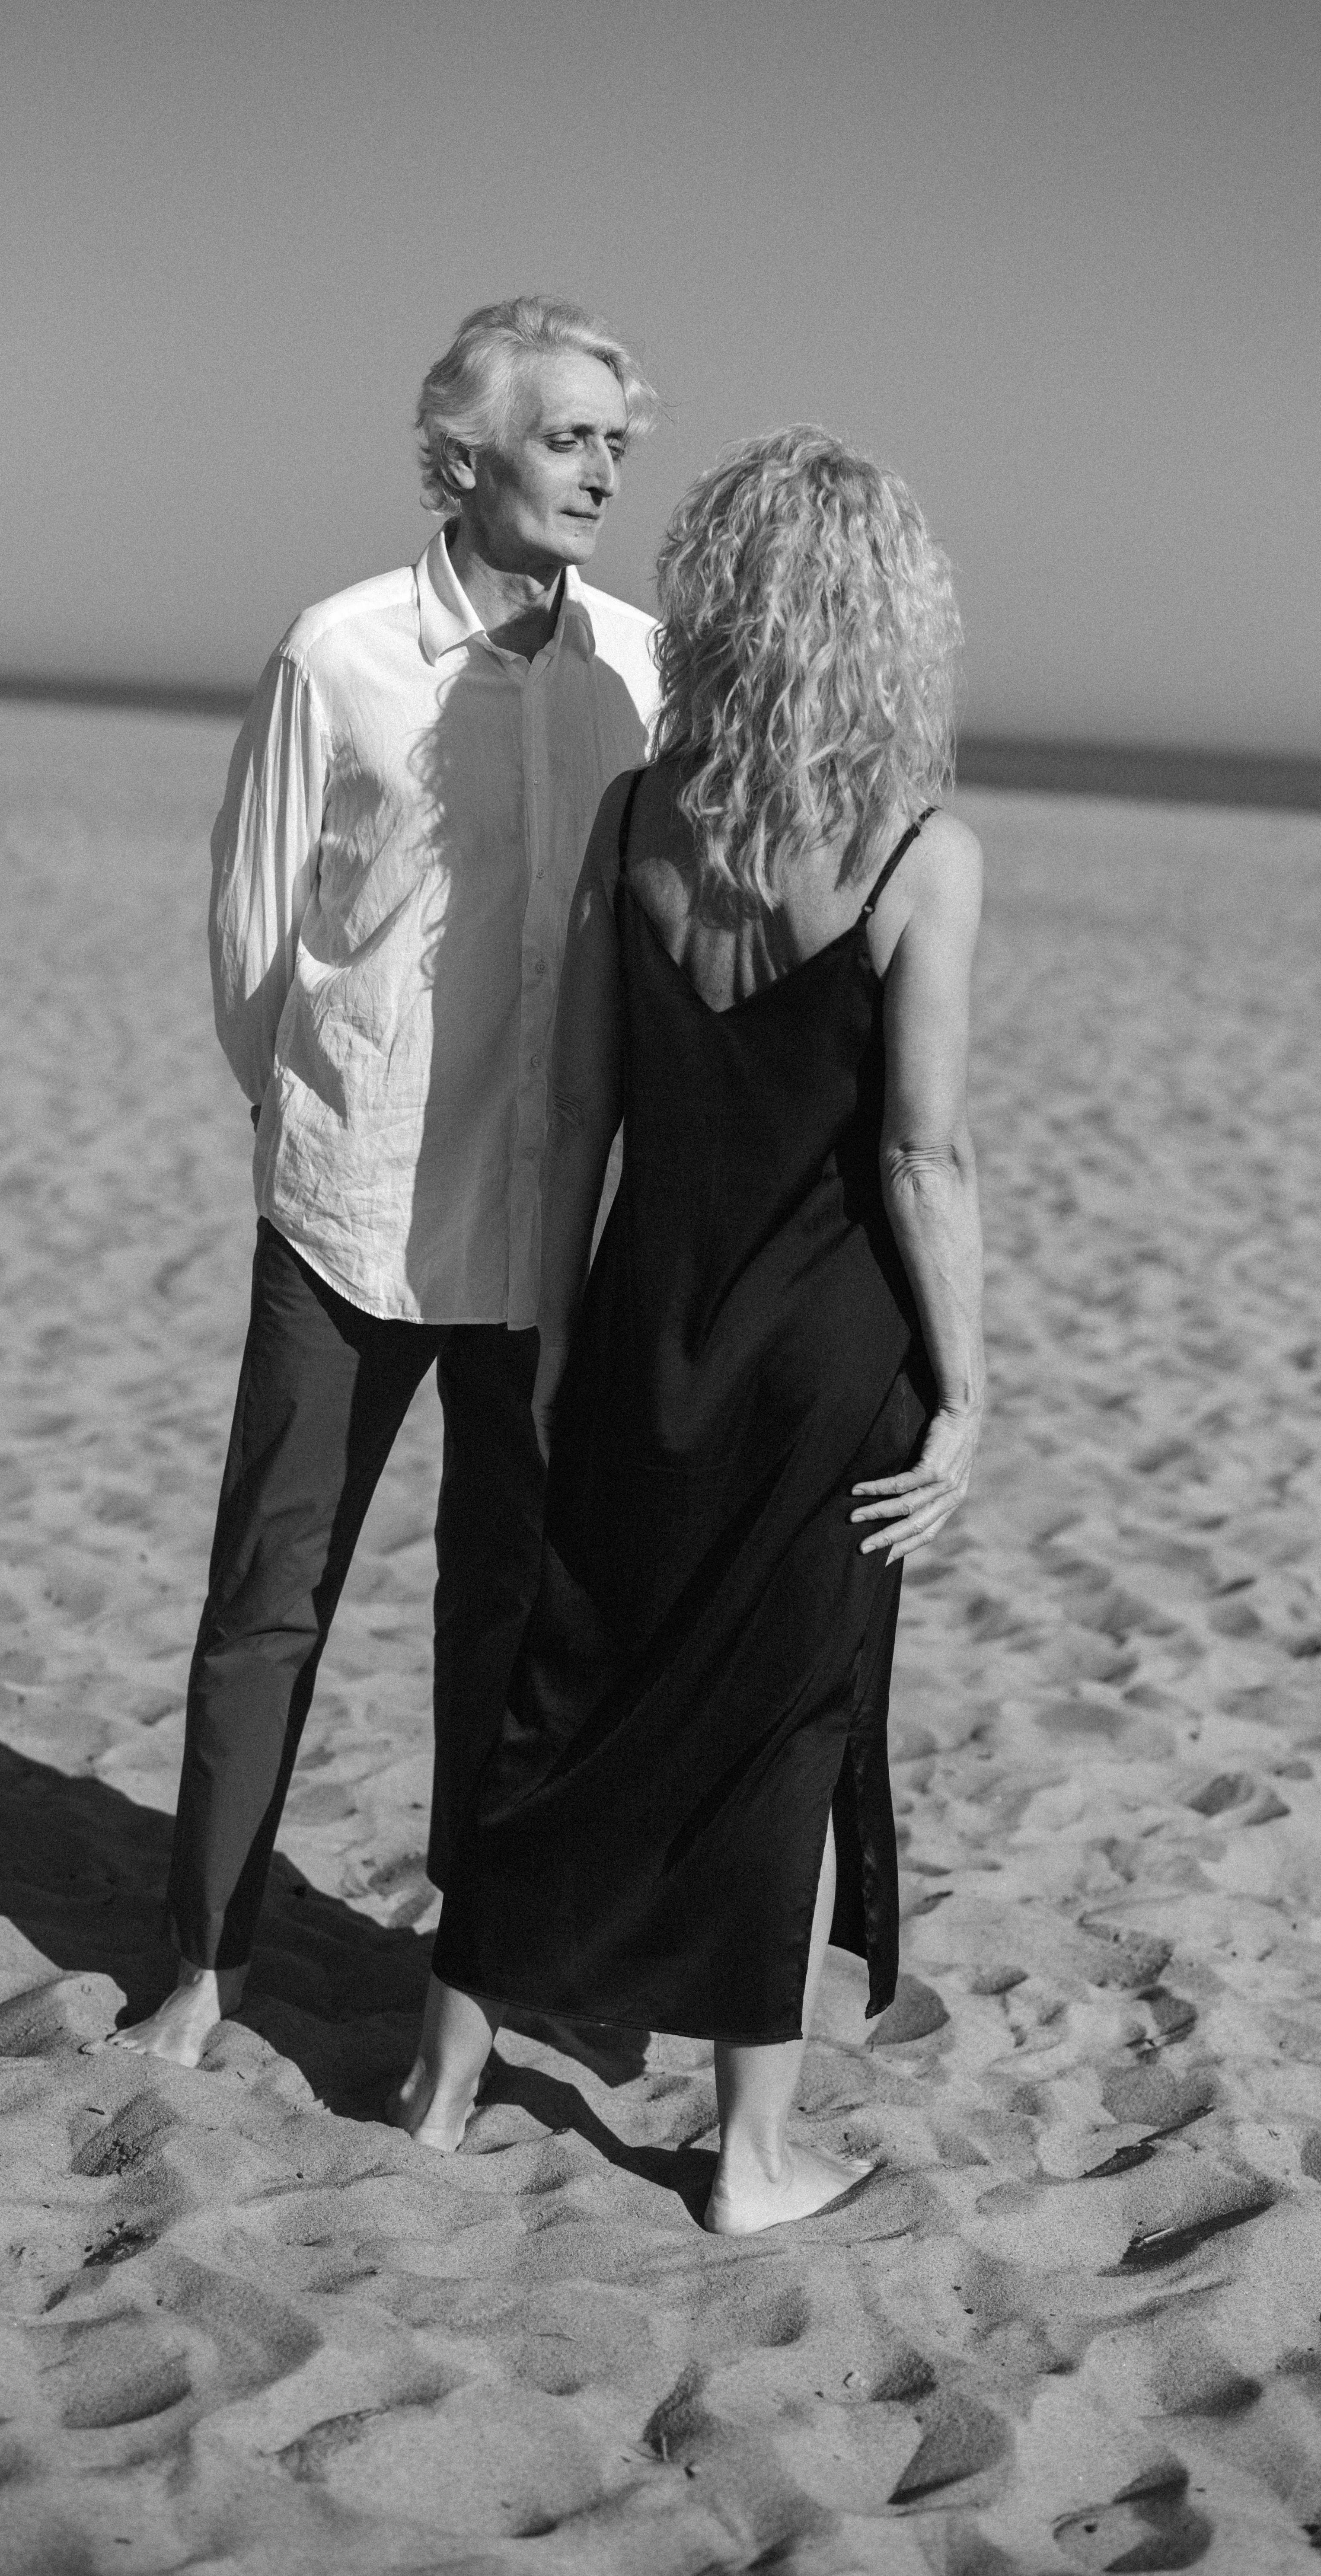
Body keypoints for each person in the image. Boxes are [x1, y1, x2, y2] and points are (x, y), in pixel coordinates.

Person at [392, 425, 984, 2233]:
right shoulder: (918, 853)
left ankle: (439, 2077)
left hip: (645, 1317)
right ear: (888, 624)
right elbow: (921, 1151)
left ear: (727, 605)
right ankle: (749, 2156)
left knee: (558, 1682)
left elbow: (579, 1117)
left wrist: (564, 1334)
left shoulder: (637, 813)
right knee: (782, 1732)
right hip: (824, 1365)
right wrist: (969, 1393)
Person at [111, 297, 661, 2067]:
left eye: (615, 443)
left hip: (544, 1235)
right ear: (468, 446)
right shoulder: (338, 649)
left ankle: (469, 1981)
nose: (601, 467)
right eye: (570, 433)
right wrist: (314, 1117)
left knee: (508, 1617)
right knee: (268, 1601)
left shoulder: (640, 673)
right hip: (344, 1217)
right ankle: (205, 1965)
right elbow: (251, 933)